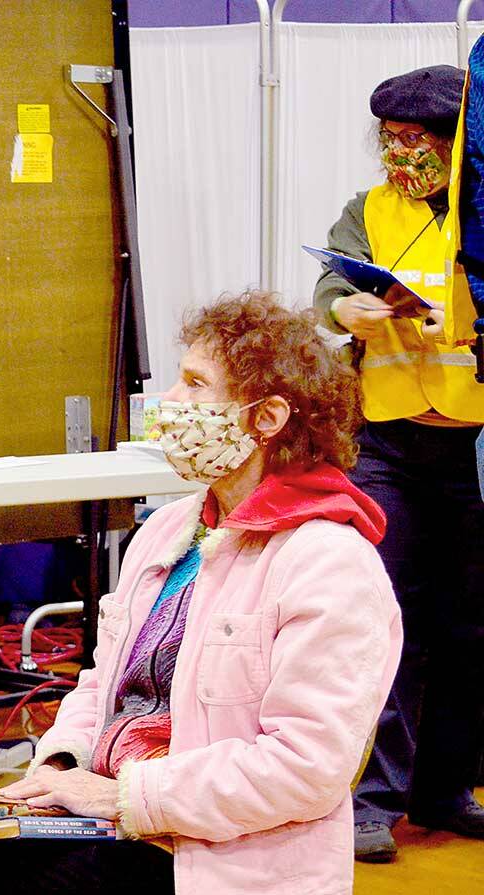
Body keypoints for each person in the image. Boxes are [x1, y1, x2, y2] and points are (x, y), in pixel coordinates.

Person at [0, 292, 400, 895]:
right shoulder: (168, 530)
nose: (170, 402)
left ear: (267, 418)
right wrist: (62, 765)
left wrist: (122, 796)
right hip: (119, 820)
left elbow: (305, 769)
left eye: (195, 384)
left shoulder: (329, 561)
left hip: (217, 853)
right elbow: (102, 684)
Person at [313, 64, 484, 862]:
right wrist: (341, 306)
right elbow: (331, 279)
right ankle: (373, 800)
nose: (401, 152)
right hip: (386, 443)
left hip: (471, 447)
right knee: (388, 618)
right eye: (390, 137)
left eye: (418, 138)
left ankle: (445, 789)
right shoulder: (369, 209)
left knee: (468, 623)